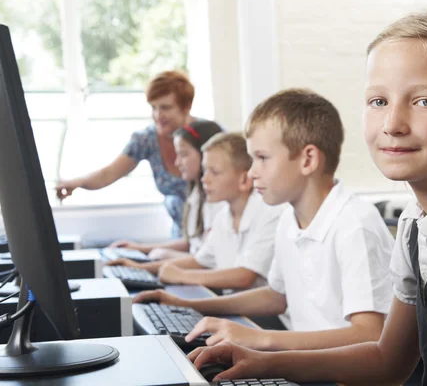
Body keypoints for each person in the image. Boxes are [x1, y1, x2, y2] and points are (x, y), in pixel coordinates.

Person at [187, 10, 427, 385]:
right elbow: (387, 362)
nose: (393, 125)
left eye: (425, 101)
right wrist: (263, 362)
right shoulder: (415, 226)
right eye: (379, 101)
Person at [135, 89, 394, 353]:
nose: (252, 172)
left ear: (308, 159)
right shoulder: (289, 218)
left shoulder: (354, 225)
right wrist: (188, 305)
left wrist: (261, 340)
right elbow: (277, 297)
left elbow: (369, 334)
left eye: (262, 158)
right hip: (308, 363)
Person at [115, 132, 283, 290]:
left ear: (244, 180)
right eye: (204, 170)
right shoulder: (222, 218)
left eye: (214, 172)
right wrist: (140, 268)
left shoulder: (269, 213)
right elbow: (200, 261)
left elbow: (245, 276)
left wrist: (182, 276)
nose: (204, 179)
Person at [56, 71, 200, 237]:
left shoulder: (207, 135)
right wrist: (77, 182)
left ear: (186, 107)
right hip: (181, 237)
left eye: (165, 108)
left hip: (212, 235)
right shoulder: (146, 139)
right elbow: (108, 174)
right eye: (153, 107)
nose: (158, 116)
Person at [107, 119, 224, 262]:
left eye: (184, 154)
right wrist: (139, 248)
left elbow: (208, 260)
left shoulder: (219, 202)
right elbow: (191, 243)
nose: (177, 162)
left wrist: (160, 258)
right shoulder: (196, 195)